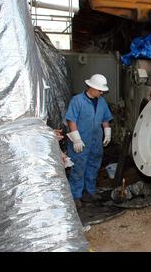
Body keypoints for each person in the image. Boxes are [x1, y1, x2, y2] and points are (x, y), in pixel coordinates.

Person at [65, 74, 113, 209]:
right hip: (80, 141)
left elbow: (105, 118)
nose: (101, 92)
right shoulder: (77, 101)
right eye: (99, 90)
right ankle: (76, 196)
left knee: (93, 166)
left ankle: (89, 193)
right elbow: (71, 120)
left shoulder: (102, 102)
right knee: (78, 168)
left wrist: (107, 131)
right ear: (91, 87)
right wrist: (76, 139)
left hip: (95, 141)